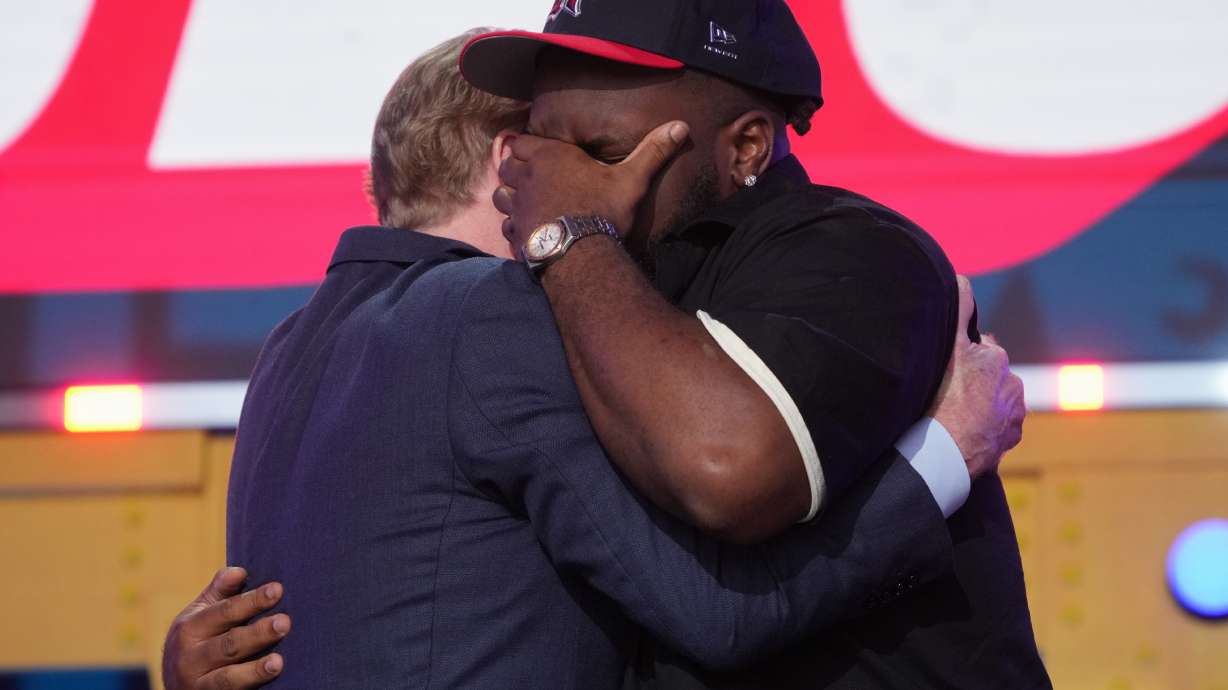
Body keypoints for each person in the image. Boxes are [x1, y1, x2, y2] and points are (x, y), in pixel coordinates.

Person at [161, 23, 1027, 690]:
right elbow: (718, 611)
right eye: (591, 152)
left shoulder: (294, 343)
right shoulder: (491, 317)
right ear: (519, 165)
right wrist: (948, 450)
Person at [463, 1, 1048, 687]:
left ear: (745, 149)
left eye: (600, 153)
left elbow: (724, 466)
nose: (551, 181)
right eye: (542, 147)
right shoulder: (573, 288)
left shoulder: (855, 250)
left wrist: (570, 234)